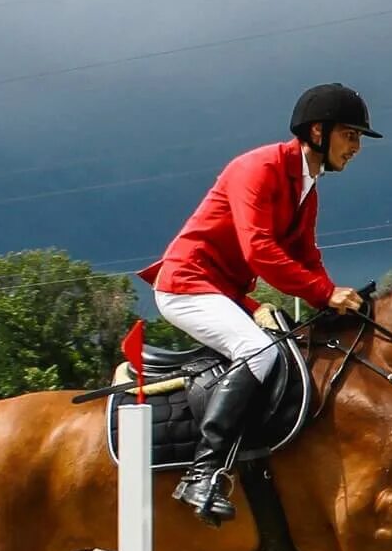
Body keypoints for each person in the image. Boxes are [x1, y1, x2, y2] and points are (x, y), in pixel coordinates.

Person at [138, 82, 377, 523]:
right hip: (186, 283)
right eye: (351, 135)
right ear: (319, 132)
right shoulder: (259, 167)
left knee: (290, 348)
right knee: (257, 350)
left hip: (225, 292)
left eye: (360, 138)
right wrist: (324, 293)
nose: (358, 147)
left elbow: (307, 255)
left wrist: (335, 298)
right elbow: (260, 252)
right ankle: (202, 473)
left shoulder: (308, 188)